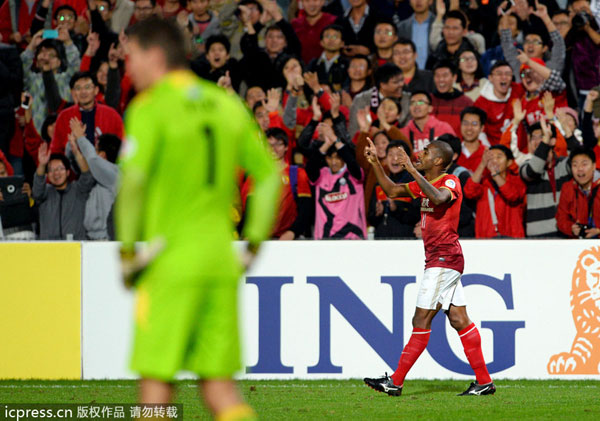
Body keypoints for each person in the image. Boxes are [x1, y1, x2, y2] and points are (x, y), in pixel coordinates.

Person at [115, 18, 280, 420]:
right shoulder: (225, 103)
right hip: (220, 261)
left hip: (168, 262)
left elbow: (132, 185)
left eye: (130, 57)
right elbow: (271, 175)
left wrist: (127, 253)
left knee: (156, 387)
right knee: (220, 388)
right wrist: (254, 242)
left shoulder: (150, 107)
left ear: (154, 56)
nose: (127, 68)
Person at [362, 139, 495, 396]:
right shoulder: (424, 184)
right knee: (458, 319)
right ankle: (484, 382)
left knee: (420, 320)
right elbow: (391, 190)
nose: (420, 154)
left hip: (444, 259)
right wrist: (375, 163)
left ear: (438, 161)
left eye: (426, 152)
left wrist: (411, 169)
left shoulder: (449, 182)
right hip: (442, 260)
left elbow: (440, 198)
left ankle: (396, 382)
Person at [66, 118, 121, 241]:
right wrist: (74, 145)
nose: (92, 152)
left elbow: (92, 160)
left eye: (95, 149)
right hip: (89, 239)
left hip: (107, 239)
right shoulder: (95, 174)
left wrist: (81, 138)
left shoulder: (114, 175)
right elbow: (76, 162)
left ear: (102, 155)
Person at [32, 141, 94, 240]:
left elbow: (87, 175)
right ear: (47, 174)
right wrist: (42, 165)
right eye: (51, 170)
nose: (56, 173)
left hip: (76, 247)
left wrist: (77, 153)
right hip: (49, 248)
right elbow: (37, 190)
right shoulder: (45, 192)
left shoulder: (78, 190)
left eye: (60, 168)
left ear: (68, 172)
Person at [556, 148, 600, 238]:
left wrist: (599, 231)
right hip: (577, 245)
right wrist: (571, 228)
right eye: (575, 165)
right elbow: (561, 218)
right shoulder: (567, 188)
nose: (579, 169)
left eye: (584, 164)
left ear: (594, 166)